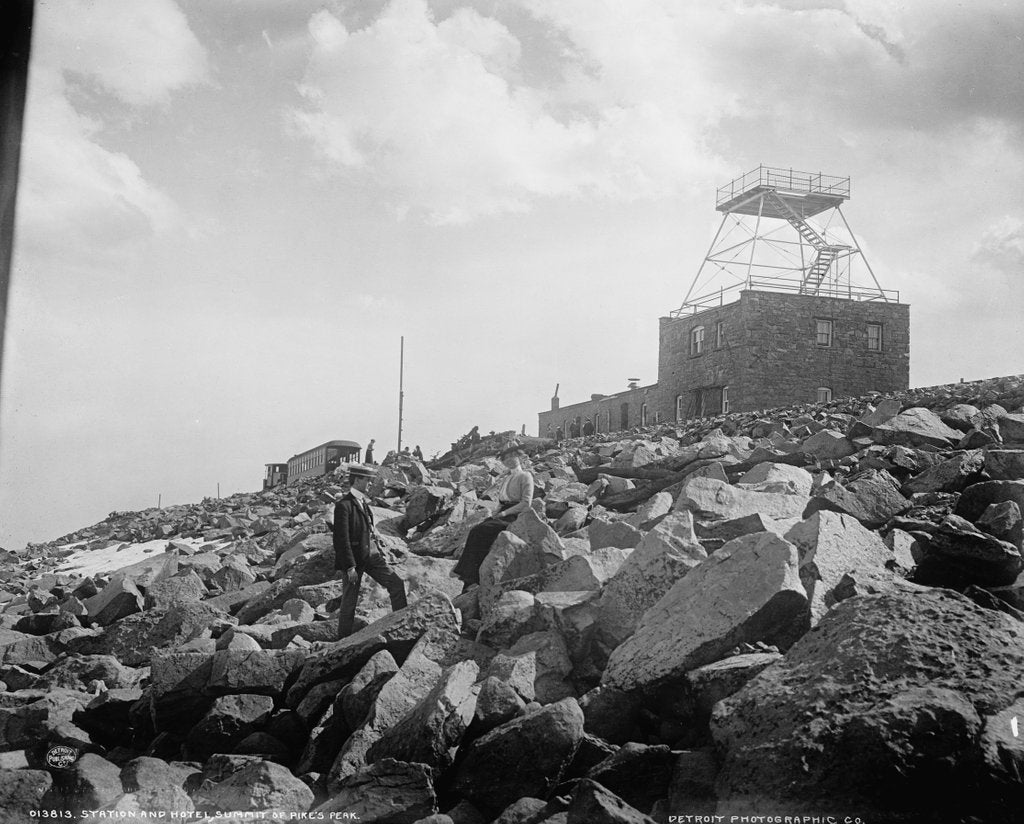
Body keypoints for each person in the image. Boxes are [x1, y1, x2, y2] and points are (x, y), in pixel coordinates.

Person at [333, 464, 407, 638]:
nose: (370, 484)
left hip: (372, 556)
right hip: (354, 561)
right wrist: (350, 566)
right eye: (367, 480)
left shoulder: (364, 503)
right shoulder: (344, 505)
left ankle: (402, 626)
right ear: (357, 480)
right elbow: (341, 539)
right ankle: (342, 641)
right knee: (349, 602)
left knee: (396, 584)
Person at [452, 445, 534, 590]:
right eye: (505, 458)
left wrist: (504, 514)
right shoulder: (506, 478)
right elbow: (501, 501)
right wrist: (496, 512)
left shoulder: (525, 476)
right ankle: (467, 575)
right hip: (503, 511)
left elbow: (526, 503)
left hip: (514, 515)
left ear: (520, 457)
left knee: (481, 531)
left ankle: (470, 576)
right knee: (476, 530)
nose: (509, 460)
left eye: (513, 456)